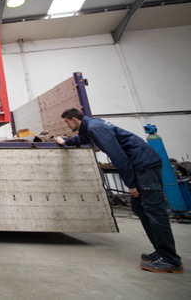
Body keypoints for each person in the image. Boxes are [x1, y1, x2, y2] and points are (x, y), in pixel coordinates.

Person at [55, 108, 183, 274]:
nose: (67, 125)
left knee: (154, 210)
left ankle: (170, 259)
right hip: (141, 165)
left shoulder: (95, 127)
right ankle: (161, 251)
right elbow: (84, 138)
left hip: (144, 166)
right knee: (139, 206)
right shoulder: (91, 126)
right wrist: (66, 142)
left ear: (74, 120)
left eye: (67, 122)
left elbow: (118, 157)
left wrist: (130, 183)